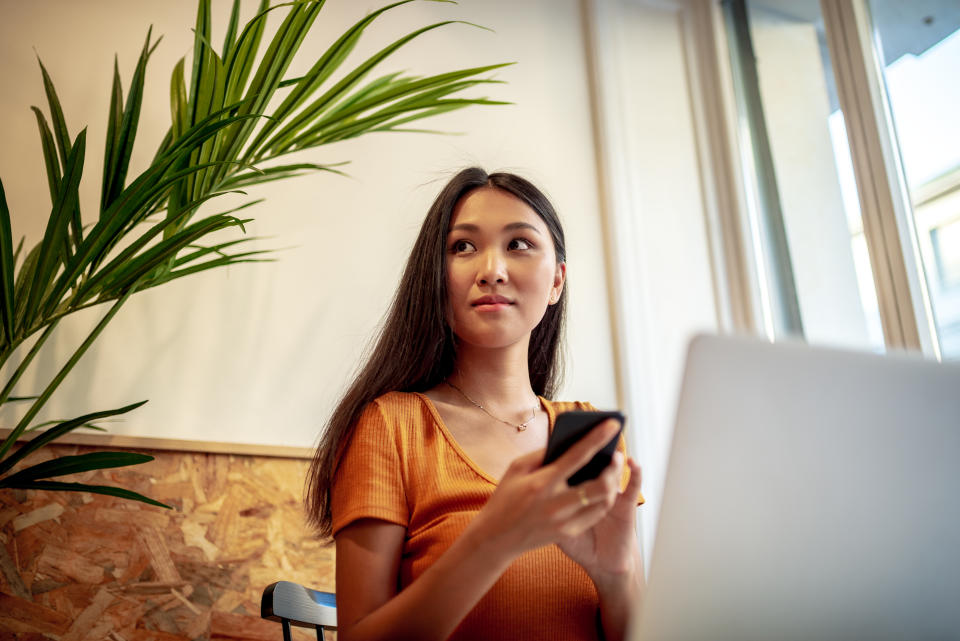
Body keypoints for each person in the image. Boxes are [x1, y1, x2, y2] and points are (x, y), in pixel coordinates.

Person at [305, 167, 644, 641]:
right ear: (437, 279)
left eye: (519, 244)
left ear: (557, 282)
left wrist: (617, 576)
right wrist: (494, 540)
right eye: (462, 247)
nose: (492, 271)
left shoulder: (590, 436)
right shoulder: (391, 426)